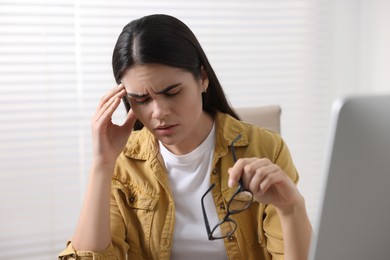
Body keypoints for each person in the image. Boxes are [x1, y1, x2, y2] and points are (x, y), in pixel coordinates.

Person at [58, 14, 312, 260]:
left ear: (202, 78)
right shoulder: (122, 161)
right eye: (142, 100)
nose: (158, 113)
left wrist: (291, 208)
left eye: (172, 92)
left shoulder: (266, 148)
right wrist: (102, 164)